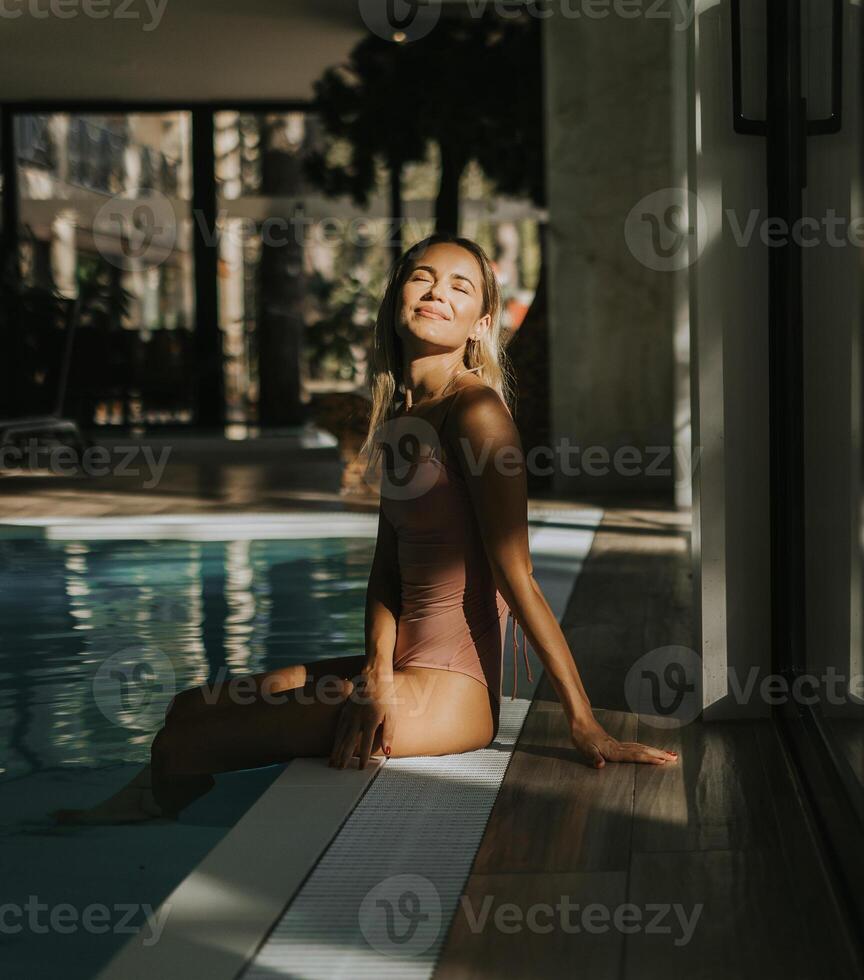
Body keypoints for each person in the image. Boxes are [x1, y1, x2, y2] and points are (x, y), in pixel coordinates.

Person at [55, 234, 677, 823]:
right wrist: (375, 677)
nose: (438, 292)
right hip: (402, 669)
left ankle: (150, 829)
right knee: (188, 707)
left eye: (461, 287)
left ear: (481, 324)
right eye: (423, 278)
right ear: (397, 297)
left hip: (451, 695)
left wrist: (582, 720)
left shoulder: (477, 413)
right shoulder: (403, 418)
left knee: (184, 747)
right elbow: (387, 567)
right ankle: (161, 812)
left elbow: (519, 577)